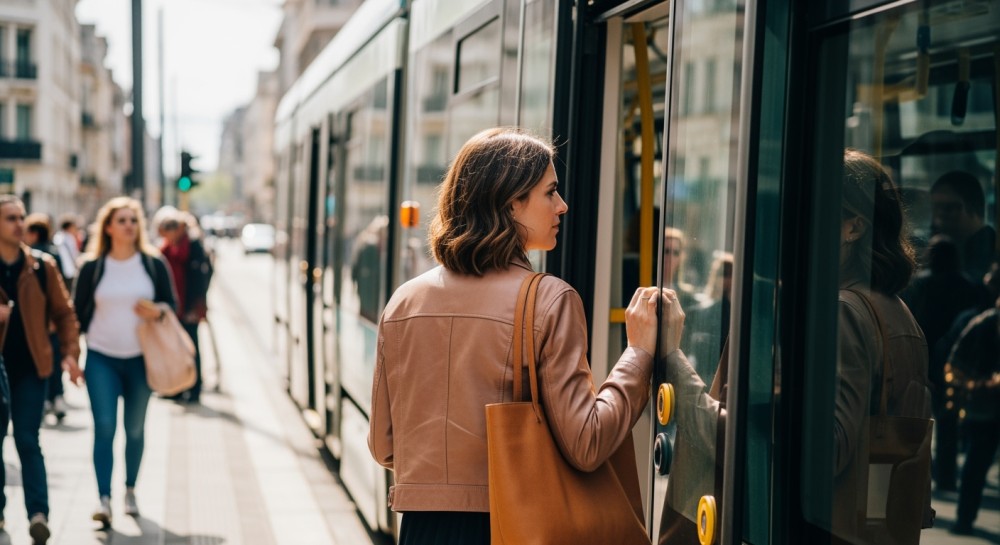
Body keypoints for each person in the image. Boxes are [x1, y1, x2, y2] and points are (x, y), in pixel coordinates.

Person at [367, 127, 681, 544]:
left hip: (421, 530)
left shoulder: (403, 302)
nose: (562, 206)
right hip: (515, 524)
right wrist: (639, 354)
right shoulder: (548, 300)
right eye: (550, 192)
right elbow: (587, 443)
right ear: (511, 202)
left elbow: (384, 446)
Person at [72, 197, 177, 527]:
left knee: (134, 429)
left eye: (133, 220)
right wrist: (71, 356)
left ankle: (130, 490)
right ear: (108, 226)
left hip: (141, 360)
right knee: (104, 427)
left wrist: (158, 311)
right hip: (101, 356)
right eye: (122, 220)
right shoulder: (92, 266)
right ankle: (104, 499)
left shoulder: (153, 263)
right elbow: (76, 315)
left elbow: (170, 304)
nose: (129, 226)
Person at [0, 196, 83, 544]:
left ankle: (38, 514)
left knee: (26, 439)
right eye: (10, 218)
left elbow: (65, 313)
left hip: (33, 369)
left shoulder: (41, 266)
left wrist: (71, 354)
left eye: (21, 217)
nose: (20, 223)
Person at [900, 235, 983, 491]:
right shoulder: (968, 286)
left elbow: (910, 319)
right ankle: (946, 475)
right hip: (954, 360)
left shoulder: (919, 285)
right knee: (947, 421)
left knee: (917, 417)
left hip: (923, 357)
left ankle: (917, 473)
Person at [946, 294, 1000, 536]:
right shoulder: (984, 324)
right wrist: (980, 384)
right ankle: (964, 518)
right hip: (983, 406)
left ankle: (964, 519)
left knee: (975, 464)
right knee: (976, 464)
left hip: (983, 407)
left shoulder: (983, 323)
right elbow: (956, 364)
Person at [156, 209, 212, 403]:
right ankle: (177, 388)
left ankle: (195, 390)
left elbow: (202, 279)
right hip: (172, 307)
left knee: (191, 349)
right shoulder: (165, 248)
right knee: (173, 349)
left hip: (189, 307)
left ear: (178, 229)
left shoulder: (194, 246)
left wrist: (195, 307)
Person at [24, 214, 71, 422]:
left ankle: (44, 400)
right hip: (51, 320)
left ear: (33, 234)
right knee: (53, 358)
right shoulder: (54, 254)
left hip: (37, 320)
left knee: (40, 360)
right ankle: (57, 397)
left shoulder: (34, 259)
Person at [929, 170, 996, 281]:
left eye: (948, 208)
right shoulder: (948, 250)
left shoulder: (990, 247)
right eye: (935, 209)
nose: (939, 218)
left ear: (973, 207)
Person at [52, 213, 81, 286]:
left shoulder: (57, 237)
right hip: (69, 271)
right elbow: (74, 255)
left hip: (61, 271)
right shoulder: (69, 238)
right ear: (69, 227)